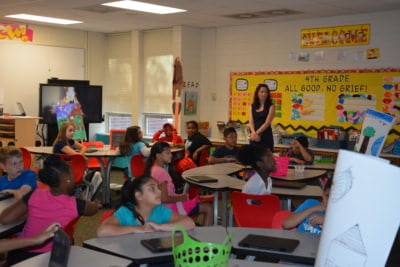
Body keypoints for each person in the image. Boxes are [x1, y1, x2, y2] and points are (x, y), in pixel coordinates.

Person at [0, 155, 99, 265]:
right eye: (72, 174)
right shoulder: (76, 204)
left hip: (19, 254)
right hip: (50, 257)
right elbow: (93, 209)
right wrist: (97, 204)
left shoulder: (34, 194)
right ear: (68, 179)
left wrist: (29, 213)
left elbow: (5, 218)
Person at [96, 175, 195, 237]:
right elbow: (102, 231)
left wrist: (160, 227)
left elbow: (189, 223)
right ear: (139, 195)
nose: (159, 191)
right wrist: (137, 229)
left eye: (158, 188)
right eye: (152, 189)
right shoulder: (126, 211)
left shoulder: (159, 209)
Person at [145, 142, 213, 226]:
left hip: (161, 208)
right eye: (168, 153)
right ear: (158, 155)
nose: (171, 155)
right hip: (169, 209)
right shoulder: (161, 172)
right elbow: (164, 198)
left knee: (197, 203)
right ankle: (207, 235)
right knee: (208, 208)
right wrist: (181, 197)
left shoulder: (153, 169)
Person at [248, 83, 275, 152]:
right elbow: (251, 121)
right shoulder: (251, 106)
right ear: (257, 93)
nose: (264, 94)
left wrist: (257, 133)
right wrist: (254, 133)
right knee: (254, 157)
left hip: (265, 135)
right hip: (254, 136)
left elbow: (267, 122)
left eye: (266, 92)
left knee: (266, 158)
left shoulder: (271, 106)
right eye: (262, 92)